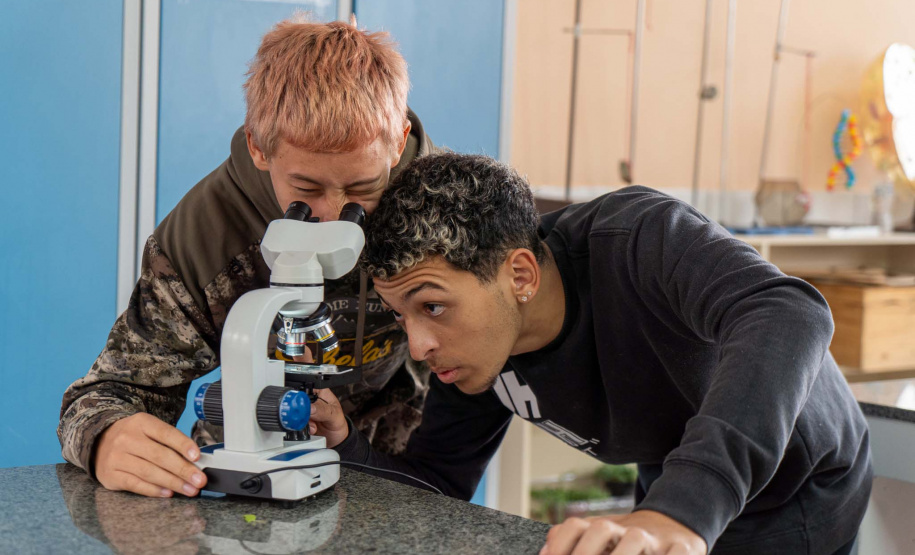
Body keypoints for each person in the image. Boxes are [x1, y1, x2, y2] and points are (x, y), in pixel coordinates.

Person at [308, 152, 872, 554]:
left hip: (794, 484)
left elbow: (790, 312)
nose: (419, 344)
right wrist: (346, 445)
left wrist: (682, 510)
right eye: (403, 315)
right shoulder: (476, 354)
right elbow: (437, 482)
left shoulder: (640, 240)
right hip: (675, 464)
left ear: (520, 275)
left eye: (431, 307)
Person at [58, 15, 436, 500]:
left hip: (393, 474)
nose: (336, 217)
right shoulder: (205, 233)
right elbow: (101, 396)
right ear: (259, 145)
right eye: (306, 189)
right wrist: (104, 438)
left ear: (398, 142)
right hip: (245, 483)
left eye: (363, 189)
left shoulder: (442, 210)